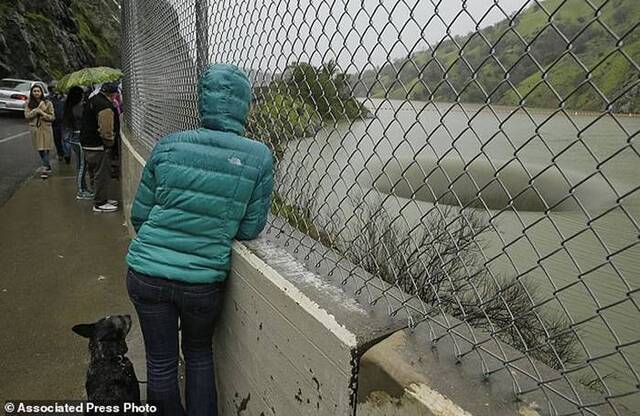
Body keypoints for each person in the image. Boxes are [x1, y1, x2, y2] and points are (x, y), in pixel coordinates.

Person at [126, 64, 273, 416]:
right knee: (198, 354)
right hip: (202, 283)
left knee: (160, 364)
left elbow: (140, 214)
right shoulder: (258, 156)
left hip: (146, 273)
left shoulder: (168, 145)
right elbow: (250, 228)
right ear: (244, 105)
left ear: (202, 101)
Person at [80, 82, 120, 213]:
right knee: (101, 174)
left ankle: (100, 198)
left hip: (87, 143)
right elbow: (106, 129)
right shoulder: (105, 106)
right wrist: (110, 142)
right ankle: (100, 203)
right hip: (98, 145)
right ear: (114, 94)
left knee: (94, 172)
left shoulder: (93, 100)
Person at [63, 86, 93, 200]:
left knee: (80, 165)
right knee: (82, 166)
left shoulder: (70, 107)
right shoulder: (79, 108)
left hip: (74, 138)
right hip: (79, 139)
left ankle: (84, 189)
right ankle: (81, 191)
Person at [24, 84, 55, 179]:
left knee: (46, 149)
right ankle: (47, 165)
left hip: (46, 128)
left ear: (41, 92)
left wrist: (42, 113)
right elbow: (27, 116)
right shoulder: (28, 103)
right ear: (32, 93)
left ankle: (45, 168)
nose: (36, 93)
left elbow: (52, 117)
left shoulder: (48, 103)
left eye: (38, 91)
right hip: (35, 129)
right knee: (40, 149)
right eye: (34, 91)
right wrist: (35, 111)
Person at [49, 82, 69, 163]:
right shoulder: (49, 98)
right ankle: (60, 153)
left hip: (64, 122)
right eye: (53, 88)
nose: (55, 90)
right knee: (57, 139)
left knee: (65, 139)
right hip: (55, 122)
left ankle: (67, 155)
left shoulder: (65, 98)